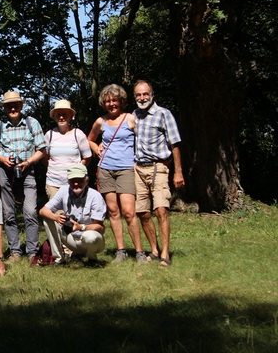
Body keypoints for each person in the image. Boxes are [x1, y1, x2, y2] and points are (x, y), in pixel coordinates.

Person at [87, 84, 146, 264]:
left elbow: (143, 139)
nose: (111, 104)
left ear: (121, 101)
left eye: (114, 100)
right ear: (103, 103)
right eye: (107, 101)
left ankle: (139, 252)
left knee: (129, 212)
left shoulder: (130, 118)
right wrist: (97, 149)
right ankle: (121, 251)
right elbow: (89, 139)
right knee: (113, 211)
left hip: (126, 169)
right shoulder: (100, 121)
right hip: (106, 169)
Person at [133, 80, 185, 267]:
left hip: (159, 167)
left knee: (161, 210)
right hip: (138, 168)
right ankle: (154, 250)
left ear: (152, 94)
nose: (142, 98)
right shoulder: (134, 116)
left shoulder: (164, 114)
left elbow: (175, 144)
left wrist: (177, 172)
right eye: (138, 95)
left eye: (145, 94)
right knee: (142, 212)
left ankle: (165, 254)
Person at [0, 91, 46, 261]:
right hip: (5, 173)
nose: (13, 108)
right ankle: (15, 251)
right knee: (8, 213)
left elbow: (42, 150)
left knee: (30, 211)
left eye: (16, 104)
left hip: (27, 170)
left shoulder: (32, 123)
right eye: (9, 105)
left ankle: (32, 252)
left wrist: (28, 162)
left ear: (22, 105)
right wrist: (3, 159)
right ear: (5, 107)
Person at [42, 99, 92, 262]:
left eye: (65, 114)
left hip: (73, 185)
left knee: (73, 216)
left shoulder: (78, 134)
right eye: (58, 114)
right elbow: (45, 157)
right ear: (54, 116)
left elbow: (87, 157)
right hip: (53, 183)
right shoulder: (49, 135)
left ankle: (75, 249)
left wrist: (77, 173)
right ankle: (61, 252)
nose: (61, 117)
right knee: (56, 217)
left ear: (70, 116)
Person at [39, 163, 106, 265]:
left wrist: (81, 227)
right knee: (48, 219)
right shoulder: (63, 191)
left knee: (91, 237)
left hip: (90, 238)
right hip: (70, 237)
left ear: (86, 180)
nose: (76, 184)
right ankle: (59, 259)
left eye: (79, 180)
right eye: (73, 180)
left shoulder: (95, 196)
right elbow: (42, 210)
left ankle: (92, 259)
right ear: (68, 181)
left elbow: (100, 227)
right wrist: (55, 217)